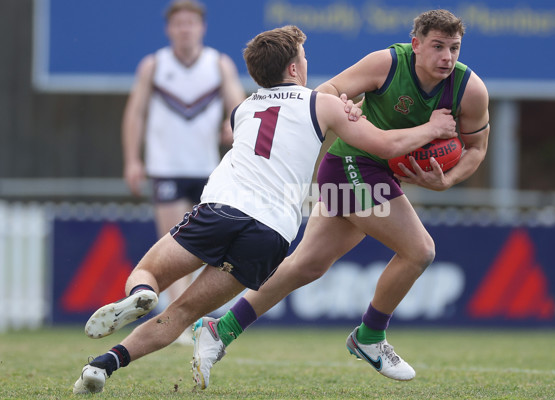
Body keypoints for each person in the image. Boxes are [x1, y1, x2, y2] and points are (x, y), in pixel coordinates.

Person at [73, 25, 457, 394]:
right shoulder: (321, 104)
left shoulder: (240, 110)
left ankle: (141, 296)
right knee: (185, 313)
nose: (306, 64)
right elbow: (385, 145)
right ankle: (104, 364)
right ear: (294, 68)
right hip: (271, 233)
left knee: (148, 273)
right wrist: (432, 127)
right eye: (303, 58)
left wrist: (345, 109)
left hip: (221, 209)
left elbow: (283, 127)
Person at [193, 9, 490, 387]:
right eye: (437, 46)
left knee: (306, 266)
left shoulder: (470, 89)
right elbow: (327, 93)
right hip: (352, 164)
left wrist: (448, 180)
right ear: (416, 45)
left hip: (375, 173)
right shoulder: (386, 63)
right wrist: (347, 108)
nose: (447, 57)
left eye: (454, 48)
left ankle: (221, 330)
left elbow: (477, 148)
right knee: (420, 251)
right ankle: (369, 335)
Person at [121, 0, 246, 344]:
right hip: (166, 168)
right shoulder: (154, 65)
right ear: (169, 29)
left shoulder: (218, 63)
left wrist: (231, 122)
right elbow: (135, 114)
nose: (185, 29)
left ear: (201, 28)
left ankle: (185, 315)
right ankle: (179, 320)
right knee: (172, 245)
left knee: (203, 249)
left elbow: (237, 103)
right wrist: (133, 160)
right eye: (179, 24)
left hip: (207, 170)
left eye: (191, 23)